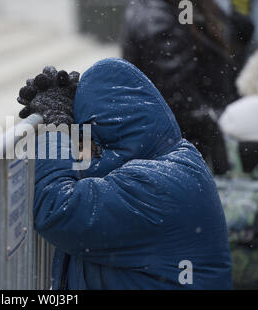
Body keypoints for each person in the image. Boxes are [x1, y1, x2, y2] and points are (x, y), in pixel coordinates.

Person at [17, 58, 232, 289]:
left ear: (108, 138)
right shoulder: (169, 161)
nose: (79, 154)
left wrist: (55, 127)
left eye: (84, 140)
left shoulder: (157, 186)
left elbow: (56, 208)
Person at [120, 0, 254, 175]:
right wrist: (221, 122)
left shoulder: (180, 9)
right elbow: (178, 99)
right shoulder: (158, 18)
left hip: (194, 149)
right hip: (189, 154)